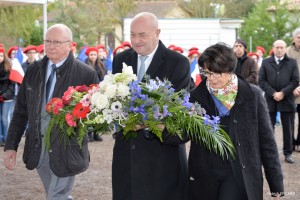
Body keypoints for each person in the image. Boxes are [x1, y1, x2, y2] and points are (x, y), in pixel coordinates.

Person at [3, 24, 99, 200]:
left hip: (67, 150)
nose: (51, 46)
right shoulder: (33, 70)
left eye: (56, 42)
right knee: (55, 195)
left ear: (70, 44)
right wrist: (11, 145)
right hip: (38, 148)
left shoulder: (86, 73)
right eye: (47, 41)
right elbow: (20, 110)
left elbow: (95, 115)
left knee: (56, 196)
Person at [189, 42, 284, 200]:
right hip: (205, 174)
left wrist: (276, 186)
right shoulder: (195, 97)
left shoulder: (252, 95)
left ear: (229, 69)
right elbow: (183, 134)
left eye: (216, 73)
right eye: (207, 73)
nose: (210, 79)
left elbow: (267, 141)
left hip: (240, 173)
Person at [112, 12, 190, 200]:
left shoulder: (177, 63)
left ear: (157, 33)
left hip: (161, 159)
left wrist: (142, 121)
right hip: (126, 158)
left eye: (142, 35)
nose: (136, 40)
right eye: (132, 35)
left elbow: (176, 108)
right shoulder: (120, 59)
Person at [259, 39, 299, 164]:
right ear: (273, 48)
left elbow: (295, 81)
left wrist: (282, 93)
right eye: (277, 47)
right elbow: (261, 81)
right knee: (268, 128)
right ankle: (268, 154)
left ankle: (288, 153)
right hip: (270, 100)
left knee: (288, 128)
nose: (280, 49)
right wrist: (273, 93)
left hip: (287, 99)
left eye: (282, 47)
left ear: (285, 48)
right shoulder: (266, 62)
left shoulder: (292, 63)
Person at [84, 46, 107, 142]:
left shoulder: (101, 65)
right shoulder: (85, 65)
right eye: (91, 55)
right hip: (88, 91)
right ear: (88, 56)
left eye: (94, 54)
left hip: (98, 91)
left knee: (98, 112)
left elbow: (103, 78)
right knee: (89, 113)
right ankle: (89, 133)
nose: (93, 56)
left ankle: (96, 133)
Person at [286, 28, 300, 151]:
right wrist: (293, 87)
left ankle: (299, 142)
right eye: (299, 37)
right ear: (293, 39)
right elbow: (284, 72)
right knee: (289, 120)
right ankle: (290, 143)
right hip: (289, 91)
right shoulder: (287, 52)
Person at [0, 47, 15, 147]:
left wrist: (4, 95)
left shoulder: (9, 67)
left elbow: (12, 84)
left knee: (4, 119)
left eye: (1, 55)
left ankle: (5, 139)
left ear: (4, 56)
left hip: (7, 97)